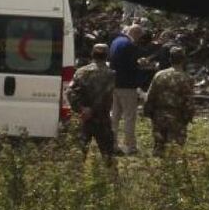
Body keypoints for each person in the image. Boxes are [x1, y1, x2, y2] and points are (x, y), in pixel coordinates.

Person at [67, 44, 116, 162]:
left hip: (84, 118)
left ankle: (76, 178)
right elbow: (104, 96)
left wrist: (81, 109)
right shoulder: (111, 74)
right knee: (108, 157)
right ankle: (110, 179)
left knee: (78, 156)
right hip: (102, 119)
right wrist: (92, 110)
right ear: (107, 55)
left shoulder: (81, 72)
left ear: (92, 54)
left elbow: (70, 92)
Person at [143, 46, 195, 155]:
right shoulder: (187, 78)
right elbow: (189, 100)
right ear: (183, 59)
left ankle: (157, 169)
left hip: (159, 114)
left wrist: (148, 111)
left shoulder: (159, 75)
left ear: (170, 59)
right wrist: (189, 116)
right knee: (176, 148)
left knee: (159, 145)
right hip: (177, 116)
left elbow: (151, 95)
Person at [109, 24, 144, 154]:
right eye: (139, 37)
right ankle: (130, 147)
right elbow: (131, 66)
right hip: (127, 86)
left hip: (114, 84)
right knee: (129, 116)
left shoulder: (115, 42)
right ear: (136, 34)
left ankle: (112, 144)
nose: (139, 40)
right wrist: (140, 65)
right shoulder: (130, 45)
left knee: (114, 116)